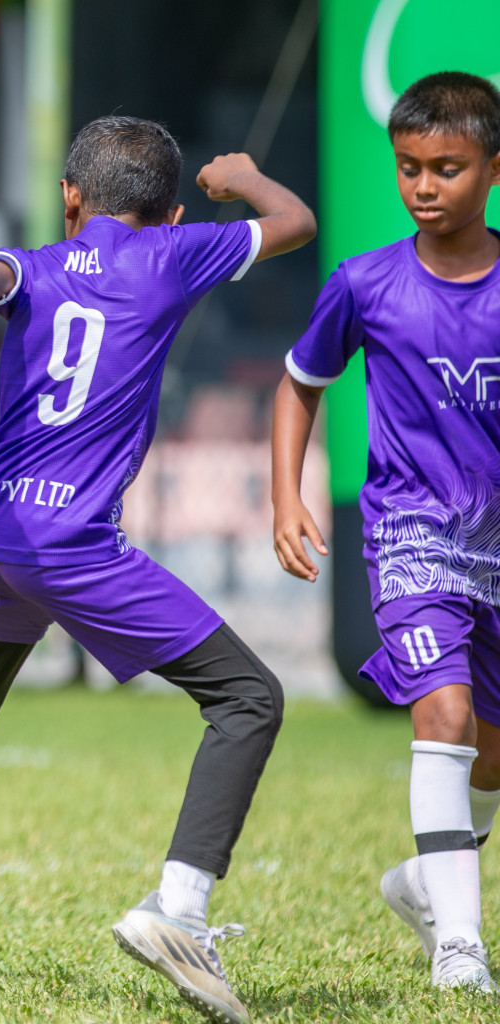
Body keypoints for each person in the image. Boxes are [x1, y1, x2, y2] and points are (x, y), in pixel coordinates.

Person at [0, 116, 315, 1022]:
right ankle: (178, 911)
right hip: (66, 540)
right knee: (249, 699)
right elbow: (295, 221)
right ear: (171, 210)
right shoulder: (177, 252)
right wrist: (249, 176)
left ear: (71, 197)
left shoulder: (35, 264)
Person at [272, 71, 500, 994]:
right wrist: (287, 494)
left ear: (493, 167)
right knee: (441, 716)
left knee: (489, 754)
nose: (425, 186)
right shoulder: (364, 283)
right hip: (411, 535)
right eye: (409, 168)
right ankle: (462, 948)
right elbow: (300, 383)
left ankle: (423, 884)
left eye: (447, 167)